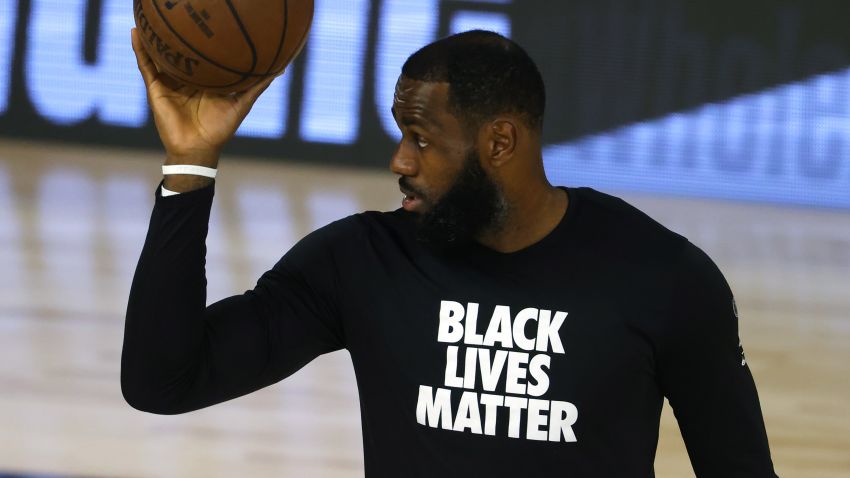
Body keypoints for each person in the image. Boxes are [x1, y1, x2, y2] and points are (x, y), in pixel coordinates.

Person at [122, 28, 778, 477]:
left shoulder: (663, 278)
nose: (399, 161)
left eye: (421, 137)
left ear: (499, 142)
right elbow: (164, 382)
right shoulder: (361, 263)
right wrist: (190, 167)